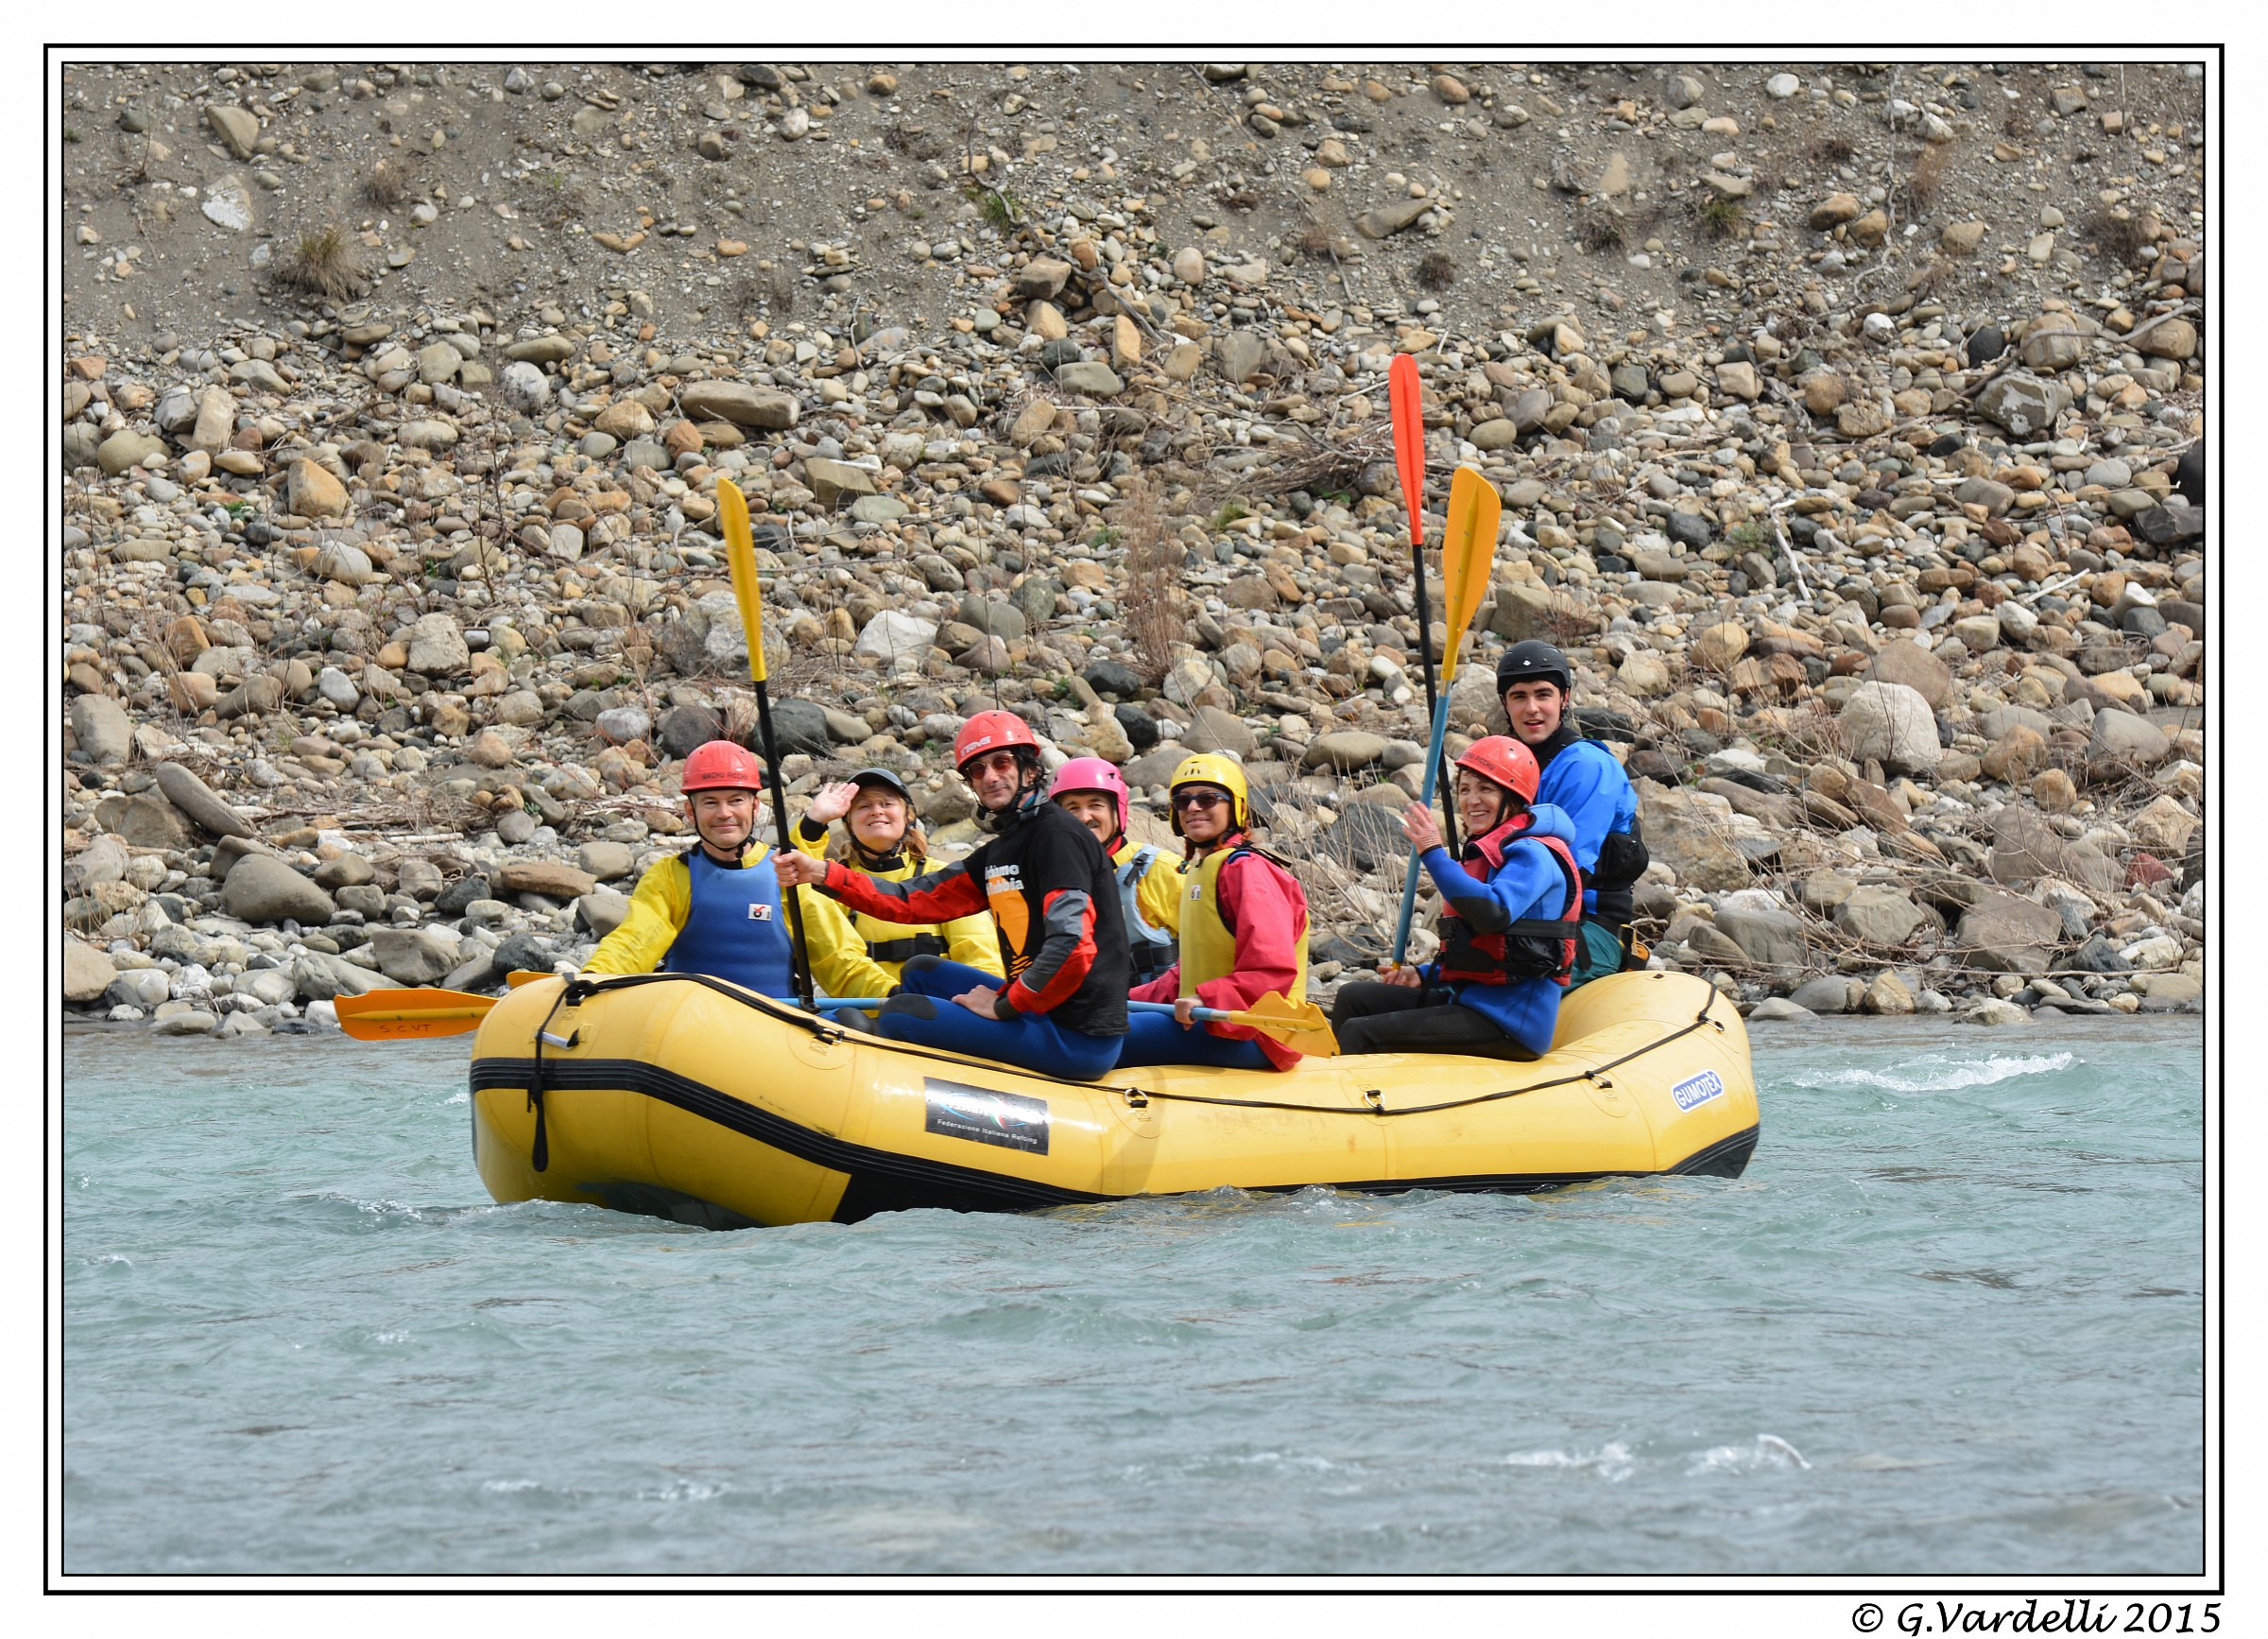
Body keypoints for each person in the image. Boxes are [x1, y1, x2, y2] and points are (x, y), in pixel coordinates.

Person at [774, 711, 1130, 1079]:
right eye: (977, 770)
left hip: (1076, 1036)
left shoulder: (1058, 836)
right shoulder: (1002, 850)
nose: (990, 776)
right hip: (1037, 1009)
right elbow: (911, 900)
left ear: (1029, 769)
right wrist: (821, 872)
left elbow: (1072, 945)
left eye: (1002, 763)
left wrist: (1007, 1004)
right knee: (921, 971)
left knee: (901, 1013)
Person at [1330, 736, 1582, 1061]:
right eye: (1464, 790)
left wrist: (1433, 853)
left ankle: (1360, 1089)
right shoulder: (1494, 853)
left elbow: (1492, 913)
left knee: (1360, 1032)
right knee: (1352, 997)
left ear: (1514, 797)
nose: (1471, 800)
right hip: (1469, 1002)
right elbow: (1480, 953)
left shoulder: (1534, 854)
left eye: (1486, 789)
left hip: (1511, 1025)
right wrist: (1424, 975)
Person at [583, 739, 848, 996]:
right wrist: (595, 978)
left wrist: (876, 994)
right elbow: (634, 941)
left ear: (755, 807)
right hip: (690, 1020)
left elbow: (842, 961)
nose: (724, 813)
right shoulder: (670, 877)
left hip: (774, 1020)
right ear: (690, 811)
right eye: (710, 802)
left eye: (736, 801)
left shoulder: (788, 873)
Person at [1117, 754, 1311, 1072]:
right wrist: (1122, 998)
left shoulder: (1248, 872)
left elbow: (1272, 970)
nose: (1193, 807)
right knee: (1104, 1018)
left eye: (1208, 799)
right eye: (1183, 801)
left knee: (1111, 1035)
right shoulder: (1202, 870)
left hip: (1262, 1035)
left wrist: (1206, 999)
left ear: (1235, 808)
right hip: (1212, 1019)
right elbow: (1188, 974)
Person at [1495, 639, 1648, 985]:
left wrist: (1489, 916)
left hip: (1587, 928)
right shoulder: (1508, 767)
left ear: (1563, 698)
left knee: (1487, 970)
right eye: (1519, 696)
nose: (1532, 708)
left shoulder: (1587, 765)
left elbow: (1569, 874)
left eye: (1543, 694)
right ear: (1505, 703)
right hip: (1521, 916)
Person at [791, 767, 1004, 997]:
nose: (876, 811)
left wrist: (973, 1004)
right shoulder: (828, 883)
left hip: (942, 1008)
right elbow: (795, 882)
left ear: (907, 816)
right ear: (848, 824)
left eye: (887, 803)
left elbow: (979, 953)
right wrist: (814, 822)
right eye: (864, 806)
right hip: (869, 1010)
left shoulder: (941, 876)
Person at [1047, 756, 1180, 985]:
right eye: (1073, 808)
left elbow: (1211, 947)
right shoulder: (1054, 878)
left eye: (1095, 805)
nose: (1084, 817)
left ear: (1118, 810)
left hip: (1153, 1004)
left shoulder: (1159, 868)